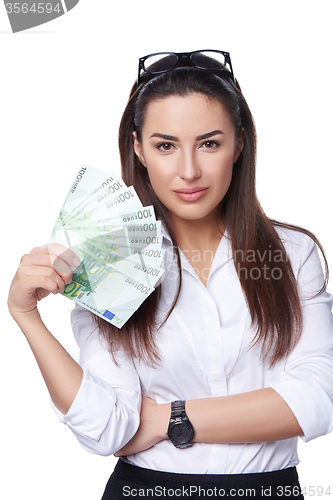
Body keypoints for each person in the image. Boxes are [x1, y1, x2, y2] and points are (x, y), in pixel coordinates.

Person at [8, 50, 333, 499]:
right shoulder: (107, 260)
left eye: (209, 143)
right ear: (138, 148)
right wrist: (26, 316)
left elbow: (317, 400)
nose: (188, 171)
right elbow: (106, 430)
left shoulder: (294, 255)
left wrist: (167, 418)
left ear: (238, 143)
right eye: (166, 146)